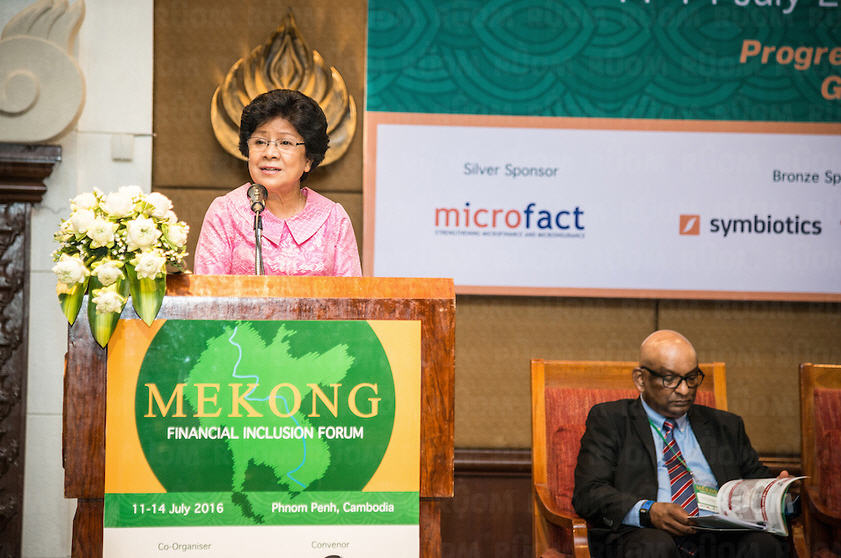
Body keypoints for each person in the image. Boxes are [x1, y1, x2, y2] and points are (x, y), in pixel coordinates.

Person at [572, 330, 788, 558]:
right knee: (653, 546)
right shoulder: (611, 420)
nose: (684, 390)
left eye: (691, 378)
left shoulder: (725, 426)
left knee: (762, 545)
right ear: (641, 379)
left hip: (719, 539)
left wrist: (781, 493)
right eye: (670, 379)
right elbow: (589, 493)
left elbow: (758, 484)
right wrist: (648, 511)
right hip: (645, 536)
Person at [194, 89, 361, 276]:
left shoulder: (333, 218)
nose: (270, 153)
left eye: (285, 143)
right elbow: (207, 290)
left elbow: (352, 293)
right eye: (260, 142)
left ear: (308, 159)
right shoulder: (225, 213)